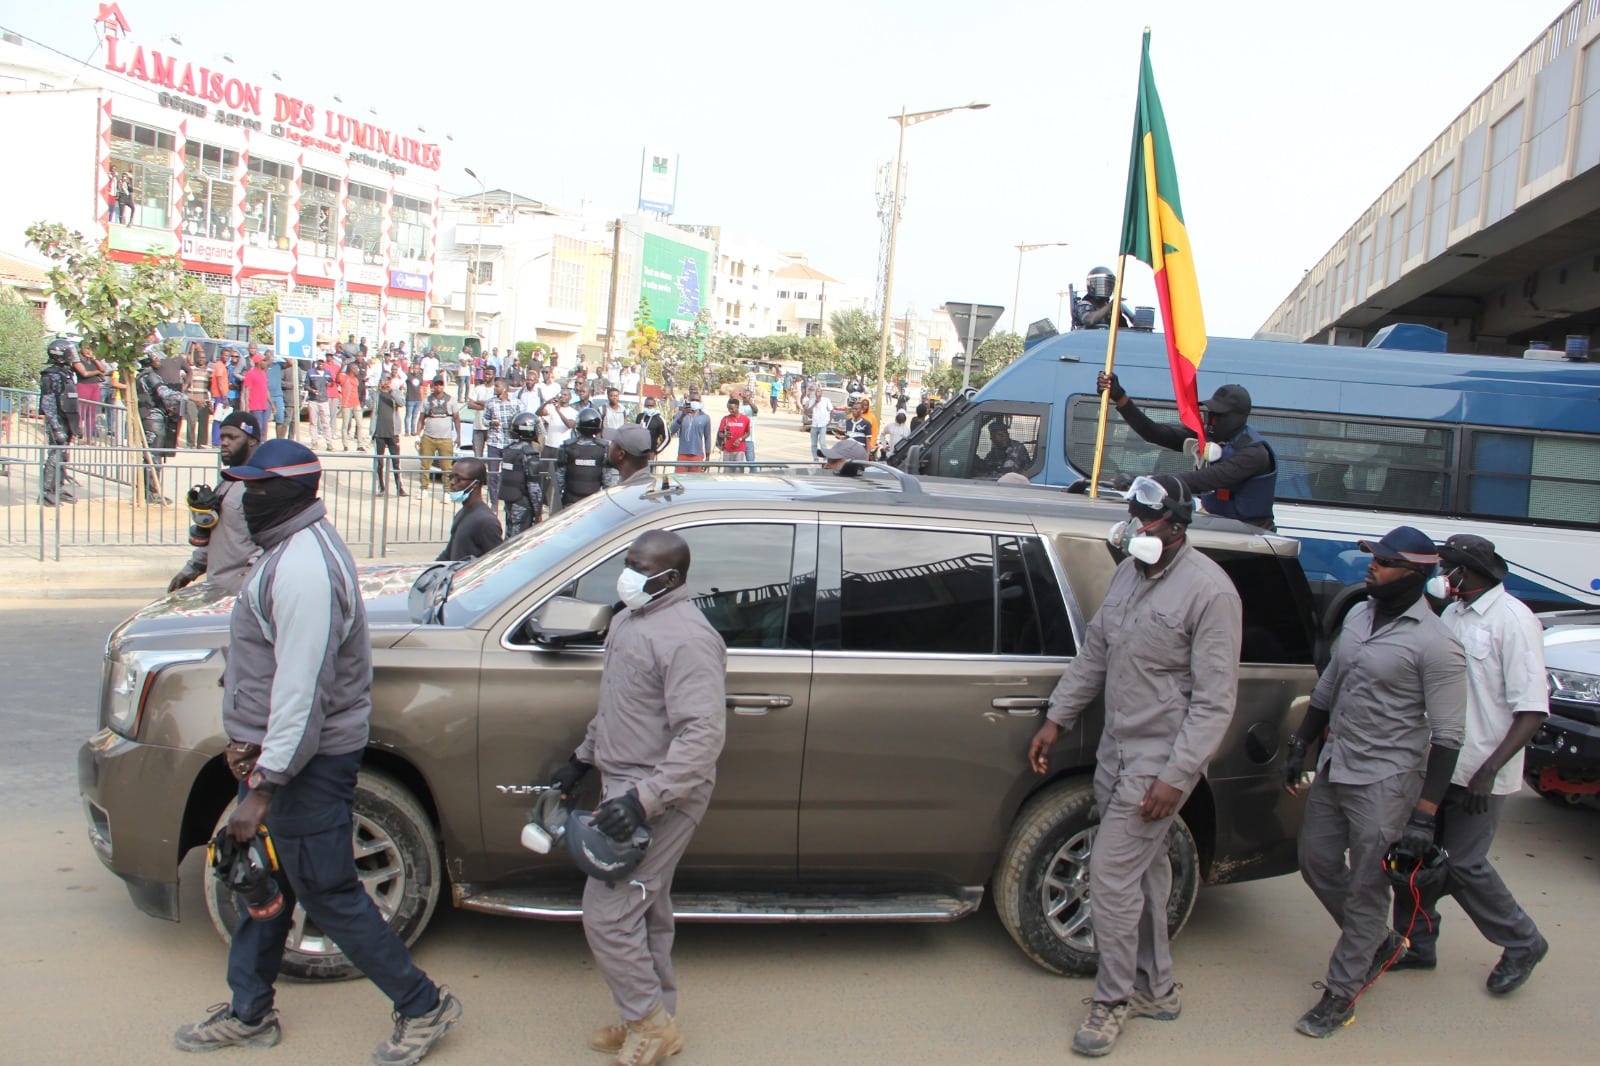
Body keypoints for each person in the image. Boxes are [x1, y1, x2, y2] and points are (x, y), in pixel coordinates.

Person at [173, 439, 461, 1062]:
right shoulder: (288, 550)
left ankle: (423, 1005)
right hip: (284, 756)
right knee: (262, 883)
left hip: (303, 765)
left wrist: (264, 786)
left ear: (294, 490)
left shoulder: (302, 567)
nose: (243, 499)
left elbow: (303, 693)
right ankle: (250, 1010)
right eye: (240, 487)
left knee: (328, 891)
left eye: (255, 488)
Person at [1027, 474, 1241, 1058]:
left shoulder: (1211, 593)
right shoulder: (1128, 573)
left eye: (1145, 520)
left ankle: (1113, 1000)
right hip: (1115, 750)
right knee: (1146, 877)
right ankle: (1158, 988)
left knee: (1112, 878)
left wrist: (1177, 778)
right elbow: (1095, 652)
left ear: (1175, 528)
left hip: (1158, 763)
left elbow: (1216, 700)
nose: (1132, 528)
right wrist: (1057, 717)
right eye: (1131, 515)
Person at [545, 530, 726, 1066]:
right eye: (628, 563)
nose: (628, 574)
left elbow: (702, 739)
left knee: (607, 913)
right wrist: (581, 759)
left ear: (670, 578)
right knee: (647, 910)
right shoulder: (628, 621)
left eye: (640, 567)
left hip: (661, 796)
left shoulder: (688, 638)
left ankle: (650, 1023)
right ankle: (647, 1017)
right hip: (623, 784)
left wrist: (644, 800)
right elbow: (619, 706)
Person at [1283, 525, 1466, 1039]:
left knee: (1367, 886)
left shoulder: (1437, 644)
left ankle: (1341, 993)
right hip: (1338, 763)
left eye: (1384, 563)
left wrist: (1424, 817)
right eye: (1374, 558)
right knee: (1315, 861)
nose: (1372, 567)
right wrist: (1302, 744)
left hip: (1387, 780)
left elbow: (1449, 736)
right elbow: (1328, 688)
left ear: (1413, 575)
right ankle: (1379, 941)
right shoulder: (1361, 615)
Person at [1385, 534, 1548, 992]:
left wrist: (1490, 770)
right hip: (1438, 765)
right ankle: (1417, 944)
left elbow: (1532, 709)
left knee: (1463, 865)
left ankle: (1522, 941)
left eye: (1445, 567)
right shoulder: (1452, 614)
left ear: (1465, 571)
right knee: (1411, 859)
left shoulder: (1513, 621)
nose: (1440, 575)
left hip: (1479, 770)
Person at [1097, 372, 1277, 530]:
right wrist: (1121, 399)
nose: (1211, 420)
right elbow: (1155, 433)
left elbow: (1205, 480)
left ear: (1238, 417)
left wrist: (1146, 482)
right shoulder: (1207, 437)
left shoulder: (1254, 453)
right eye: (1211, 414)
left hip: (1252, 535)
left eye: (1219, 416)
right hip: (1220, 526)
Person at [169, 412, 264, 593]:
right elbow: (217, 534)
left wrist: (254, 575)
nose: (224, 443)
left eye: (232, 437)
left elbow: (271, 541)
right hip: (218, 588)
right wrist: (190, 571)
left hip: (244, 592)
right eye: (222, 437)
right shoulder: (227, 481)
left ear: (251, 440)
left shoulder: (260, 485)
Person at [136, 353, 184, 504]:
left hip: (147, 417)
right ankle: (152, 492)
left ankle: (148, 490)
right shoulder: (151, 376)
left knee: (150, 456)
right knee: (154, 457)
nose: (159, 361)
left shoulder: (140, 376)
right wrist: (189, 397)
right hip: (154, 418)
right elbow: (165, 393)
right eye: (156, 358)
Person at [39, 338, 79, 507]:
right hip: (57, 420)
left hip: (67, 418)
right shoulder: (51, 375)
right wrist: (55, 427)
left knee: (63, 454)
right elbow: (47, 404)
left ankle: (58, 488)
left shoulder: (65, 373)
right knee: (55, 454)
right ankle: (47, 492)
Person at [437, 458, 502, 562]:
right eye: (451, 477)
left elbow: (496, 562)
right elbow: (449, 553)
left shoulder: (486, 521)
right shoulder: (462, 512)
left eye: (458, 479)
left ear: (475, 483)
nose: (452, 482)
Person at [497, 412, 544, 534]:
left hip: (510, 502)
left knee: (509, 535)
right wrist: (538, 511)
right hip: (522, 504)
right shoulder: (529, 454)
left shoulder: (509, 450)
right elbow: (533, 487)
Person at [481, 379, 522, 504]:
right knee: (493, 473)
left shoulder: (516, 404)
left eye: (497, 386)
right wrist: (491, 423)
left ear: (504, 388)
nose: (494, 388)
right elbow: (484, 420)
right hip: (494, 442)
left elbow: (522, 421)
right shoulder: (490, 403)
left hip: (510, 443)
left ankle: (509, 498)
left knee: (509, 472)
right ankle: (494, 501)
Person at [560, 408, 611, 507]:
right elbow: (608, 481)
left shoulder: (567, 446)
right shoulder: (604, 448)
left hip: (571, 502)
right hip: (593, 502)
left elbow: (559, 479)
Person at [371, 371, 408, 498]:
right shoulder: (377, 394)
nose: (385, 382)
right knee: (379, 462)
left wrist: (391, 391)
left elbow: (402, 403)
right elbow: (373, 412)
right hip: (380, 432)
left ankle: (400, 487)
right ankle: (381, 487)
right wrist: (372, 431)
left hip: (393, 432)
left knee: (396, 461)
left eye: (387, 380)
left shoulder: (395, 392)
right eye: (383, 380)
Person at [417, 378, 458, 487]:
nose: (439, 387)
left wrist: (458, 436)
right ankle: (424, 488)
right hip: (429, 437)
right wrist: (417, 435)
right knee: (425, 465)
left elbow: (456, 418)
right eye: (436, 385)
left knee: (447, 467)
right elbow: (421, 418)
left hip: (445, 438)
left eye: (441, 385)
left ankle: (447, 491)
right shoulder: (426, 401)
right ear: (432, 386)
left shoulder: (451, 400)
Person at [1071, 265, 1133, 330]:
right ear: (1092, 285)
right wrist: (1110, 305)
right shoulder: (1084, 304)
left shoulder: (1110, 305)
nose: (1106, 288)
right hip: (1088, 338)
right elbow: (1089, 320)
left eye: (1108, 285)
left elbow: (1123, 328)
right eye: (1103, 285)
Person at [671, 394, 711, 472]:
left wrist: (707, 457)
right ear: (688, 401)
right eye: (692, 400)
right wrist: (682, 416)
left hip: (697, 454)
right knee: (680, 480)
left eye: (697, 400)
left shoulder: (705, 417)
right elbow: (672, 430)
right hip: (683, 453)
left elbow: (707, 437)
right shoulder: (680, 414)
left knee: (695, 482)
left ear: (700, 402)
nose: (695, 402)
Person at [242, 355, 271, 443]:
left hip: (264, 405)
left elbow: (265, 389)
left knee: (264, 427)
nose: (265, 363)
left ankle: (261, 444)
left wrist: (271, 404)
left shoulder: (263, 373)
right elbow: (247, 391)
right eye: (264, 361)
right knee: (258, 427)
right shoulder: (251, 373)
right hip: (255, 405)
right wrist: (246, 406)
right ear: (258, 362)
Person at [337, 362, 366, 451]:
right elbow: (337, 378)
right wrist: (342, 366)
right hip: (346, 404)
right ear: (351, 369)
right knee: (345, 425)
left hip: (356, 403)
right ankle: (345, 445)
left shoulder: (356, 379)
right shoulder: (344, 377)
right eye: (355, 368)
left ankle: (360, 444)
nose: (357, 370)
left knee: (360, 425)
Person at [716, 397, 750, 466]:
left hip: (740, 450)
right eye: (728, 409)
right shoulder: (725, 419)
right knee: (727, 472)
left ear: (737, 407)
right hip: (727, 450)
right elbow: (720, 433)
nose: (730, 411)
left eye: (732, 408)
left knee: (738, 472)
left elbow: (748, 432)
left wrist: (740, 439)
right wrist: (725, 435)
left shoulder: (745, 419)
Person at [805, 387, 835, 460]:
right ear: (815, 393)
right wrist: (816, 402)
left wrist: (830, 420)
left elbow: (831, 410)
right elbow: (808, 411)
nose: (818, 393)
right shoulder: (812, 400)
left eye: (819, 391)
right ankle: (815, 458)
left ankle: (825, 458)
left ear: (822, 393)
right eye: (817, 391)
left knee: (822, 442)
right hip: (814, 424)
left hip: (823, 424)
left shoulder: (826, 400)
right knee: (814, 443)